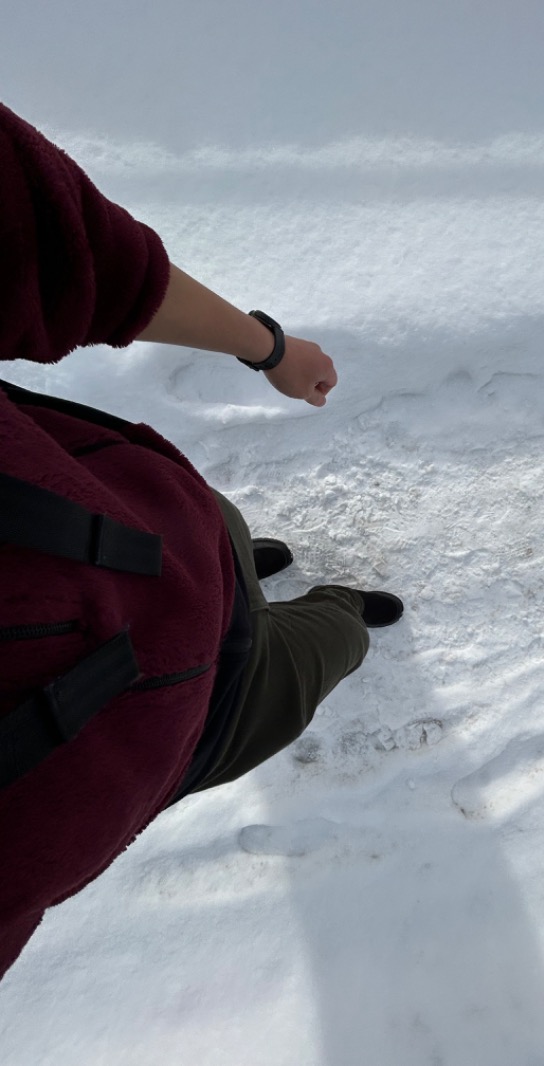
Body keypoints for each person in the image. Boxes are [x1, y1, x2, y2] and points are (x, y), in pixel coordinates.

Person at [0, 101, 402, 979]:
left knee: (222, 535)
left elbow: (68, 253)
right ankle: (336, 611)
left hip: (156, 518)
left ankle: (244, 568)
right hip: (192, 722)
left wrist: (269, 349)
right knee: (318, 649)